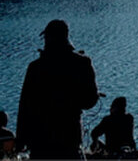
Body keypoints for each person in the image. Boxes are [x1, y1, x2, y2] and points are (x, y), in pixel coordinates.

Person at [16, 19, 99, 159]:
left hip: (40, 139)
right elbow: (89, 101)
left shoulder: (35, 67)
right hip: (70, 136)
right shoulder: (82, 63)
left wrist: (21, 139)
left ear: (48, 38)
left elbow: (25, 106)